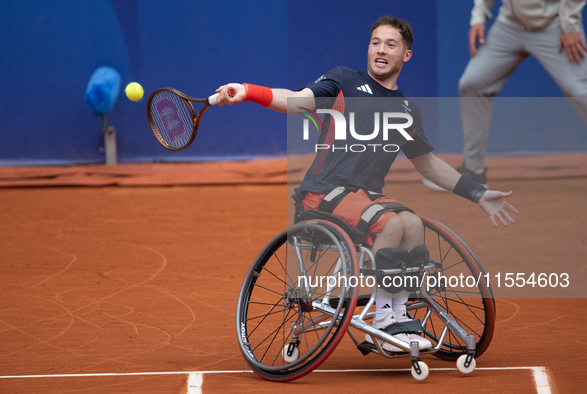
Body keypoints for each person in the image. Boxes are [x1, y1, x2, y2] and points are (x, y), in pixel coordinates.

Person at [216, 16, 519, 353]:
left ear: (406, 56)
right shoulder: (344, 80)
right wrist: (247, 91)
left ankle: (398, 315)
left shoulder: (405, 110)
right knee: (389, 223)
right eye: (375, 42)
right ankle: (383, 323)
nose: (380, 50)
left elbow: (427, 164)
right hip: (322, 193)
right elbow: (297, 100)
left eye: (390, 45)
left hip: (366, 196)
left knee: (413, 223)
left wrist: (477, 193)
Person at [425, 0, 587, 190]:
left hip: (554, 27)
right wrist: (478, 17)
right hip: (509, 26)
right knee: (473, 84)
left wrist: (569, 24)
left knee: (581, 92)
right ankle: (473, 171)